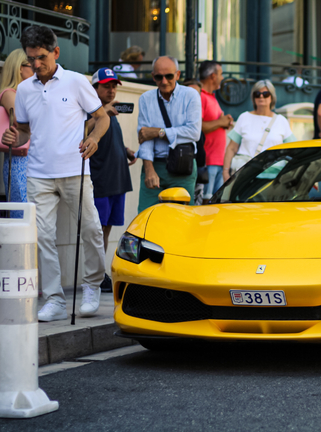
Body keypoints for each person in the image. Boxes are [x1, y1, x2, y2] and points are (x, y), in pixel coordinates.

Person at [2, 25, 110, 321]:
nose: (36, 64)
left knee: (90, 230)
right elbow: (25, 130)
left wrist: (94, 139)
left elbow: (101, 119)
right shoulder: (23, 90)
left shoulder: (76, 82)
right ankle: (54, 298)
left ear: (56, 52)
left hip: (74, 169)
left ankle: (91, 285)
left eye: (41, 57)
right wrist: (15, 136)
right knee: (43, 237)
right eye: (31, 58)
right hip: (38, 173)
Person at [88, 68, 137, 293]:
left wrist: (125, 150)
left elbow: (109, 137)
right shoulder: (89, 109)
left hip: (118, 177)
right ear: (95, 87)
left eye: (114, 85)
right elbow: (80, 131)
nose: (111, 90)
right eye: (106, 86)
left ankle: (101, 275)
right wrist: (103, 112)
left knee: (106, 230)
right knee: (97, 230)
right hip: (101, 179)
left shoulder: (110, 111)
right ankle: (96, 276)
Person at [136, 56, 202, 212]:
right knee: (146, 216)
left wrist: (158, 132)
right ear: (153, 76)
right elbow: (144, 136)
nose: (164, 81)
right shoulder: (146, 99)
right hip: (154, 164)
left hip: (182, 166)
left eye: (169, 76)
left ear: (178, 75)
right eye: (159, 77)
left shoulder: (191, 95)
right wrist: (149, 169)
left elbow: (193, 132)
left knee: (182, 219)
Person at [223, 80, 296, 182]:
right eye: (257, 94)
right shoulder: (244, 117)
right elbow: (231, 148)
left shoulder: (281, 121)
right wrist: (226, 172)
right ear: (253, 97)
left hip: (273, 179)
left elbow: (293, 150)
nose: (261, 97)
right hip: (245, 176)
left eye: (265, 94)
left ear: (272, 97)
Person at [1, 48, 34, 217]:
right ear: (19, 68)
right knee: (21, 212)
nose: (36, 67)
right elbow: (23, 119)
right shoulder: (8, 93)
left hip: (34, 160)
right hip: (20, 160)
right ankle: (20, 245)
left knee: (36, 213)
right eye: (31, 64)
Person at [199, 61, 233, 200]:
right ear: (213, 76)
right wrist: (221, 122)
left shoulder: (211, 97)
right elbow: (198, 127)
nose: (222, 78)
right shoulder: (201, 96)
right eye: (221, 74)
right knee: (206, 204)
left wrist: (224, 122)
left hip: (218, 162)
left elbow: (214, 123)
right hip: (208, 162)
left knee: (214, 205)